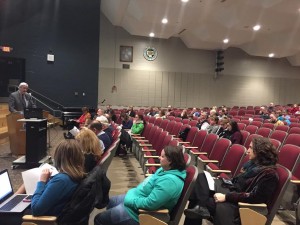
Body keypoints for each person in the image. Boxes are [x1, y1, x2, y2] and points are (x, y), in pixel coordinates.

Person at [184, 137, 279, 225]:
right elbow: (236, 181)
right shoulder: (251, 164)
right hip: (231, 188)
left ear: (260, 151)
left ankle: (200, 206)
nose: (247, 151)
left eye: (250, 148)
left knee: (198, 198)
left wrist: (226, 197)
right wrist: (223, 181)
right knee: (202, 176)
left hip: (238, 204)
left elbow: (255, 197)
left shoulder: (269, 174)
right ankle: (201, 207)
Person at [94, 145, 187, 225]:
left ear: (170, 161)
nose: (159, 158)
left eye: (162, 157)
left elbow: (150, 204)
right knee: (110, 202)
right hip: (137, 199)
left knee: (99, 219)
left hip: (142, 215)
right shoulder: (164, 170)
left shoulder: (170, 182)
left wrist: (131, 199)